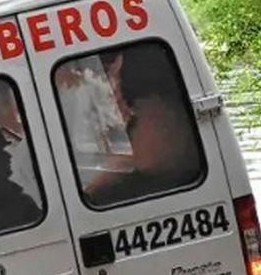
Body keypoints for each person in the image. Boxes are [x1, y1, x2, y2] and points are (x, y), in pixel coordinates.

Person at [85, 45, 200, 206]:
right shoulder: (153, 111)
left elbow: (152, 162)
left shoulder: (153, 112)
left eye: (113, 77)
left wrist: (96, 188)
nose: (113, 90)